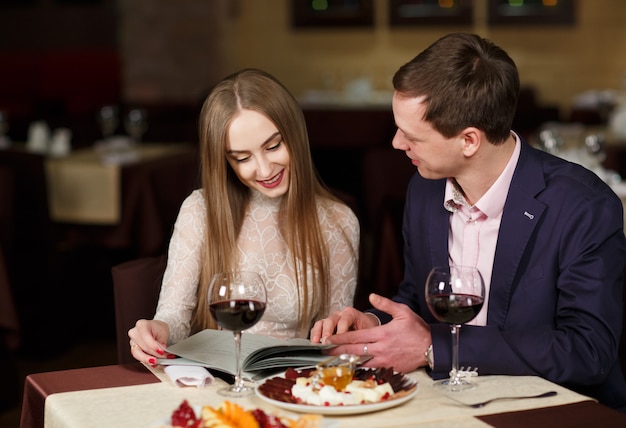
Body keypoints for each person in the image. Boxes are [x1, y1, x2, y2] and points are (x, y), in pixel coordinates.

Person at [310, 33, 626, 411]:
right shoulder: (424, 191)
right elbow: (418, 297)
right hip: (444, 405)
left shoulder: (583, 205)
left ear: (469, 141)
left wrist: (432, 347)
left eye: (412, 136)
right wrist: (376, 325)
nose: (396, 143)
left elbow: (587, 351)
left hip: (553, 411)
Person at [129, 68, 360, 365]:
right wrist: (157, 330)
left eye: (273, 146)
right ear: (225, 160)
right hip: (214, 384)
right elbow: (174, 318)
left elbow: (334, 336)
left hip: (290, 383)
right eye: (242, 158)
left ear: (295, 134)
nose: (264, 170)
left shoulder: (338, 222)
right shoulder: (200, 210)